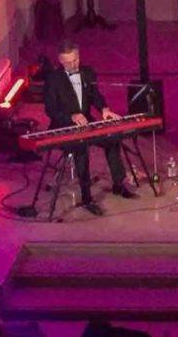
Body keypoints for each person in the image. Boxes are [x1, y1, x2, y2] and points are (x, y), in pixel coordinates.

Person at [43, 40, 137, 216]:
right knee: (81, 149)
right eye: (68, 62)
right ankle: (87, 198)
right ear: (60, 61)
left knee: (112, 138)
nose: (73, 65)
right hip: (64, 125)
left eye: (75, 60)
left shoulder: (87, 73)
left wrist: (104, 109)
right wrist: (71, 116)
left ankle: (118, 184)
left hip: (87, 122)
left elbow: (95, 95)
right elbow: (50, 109)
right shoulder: (53, 79)